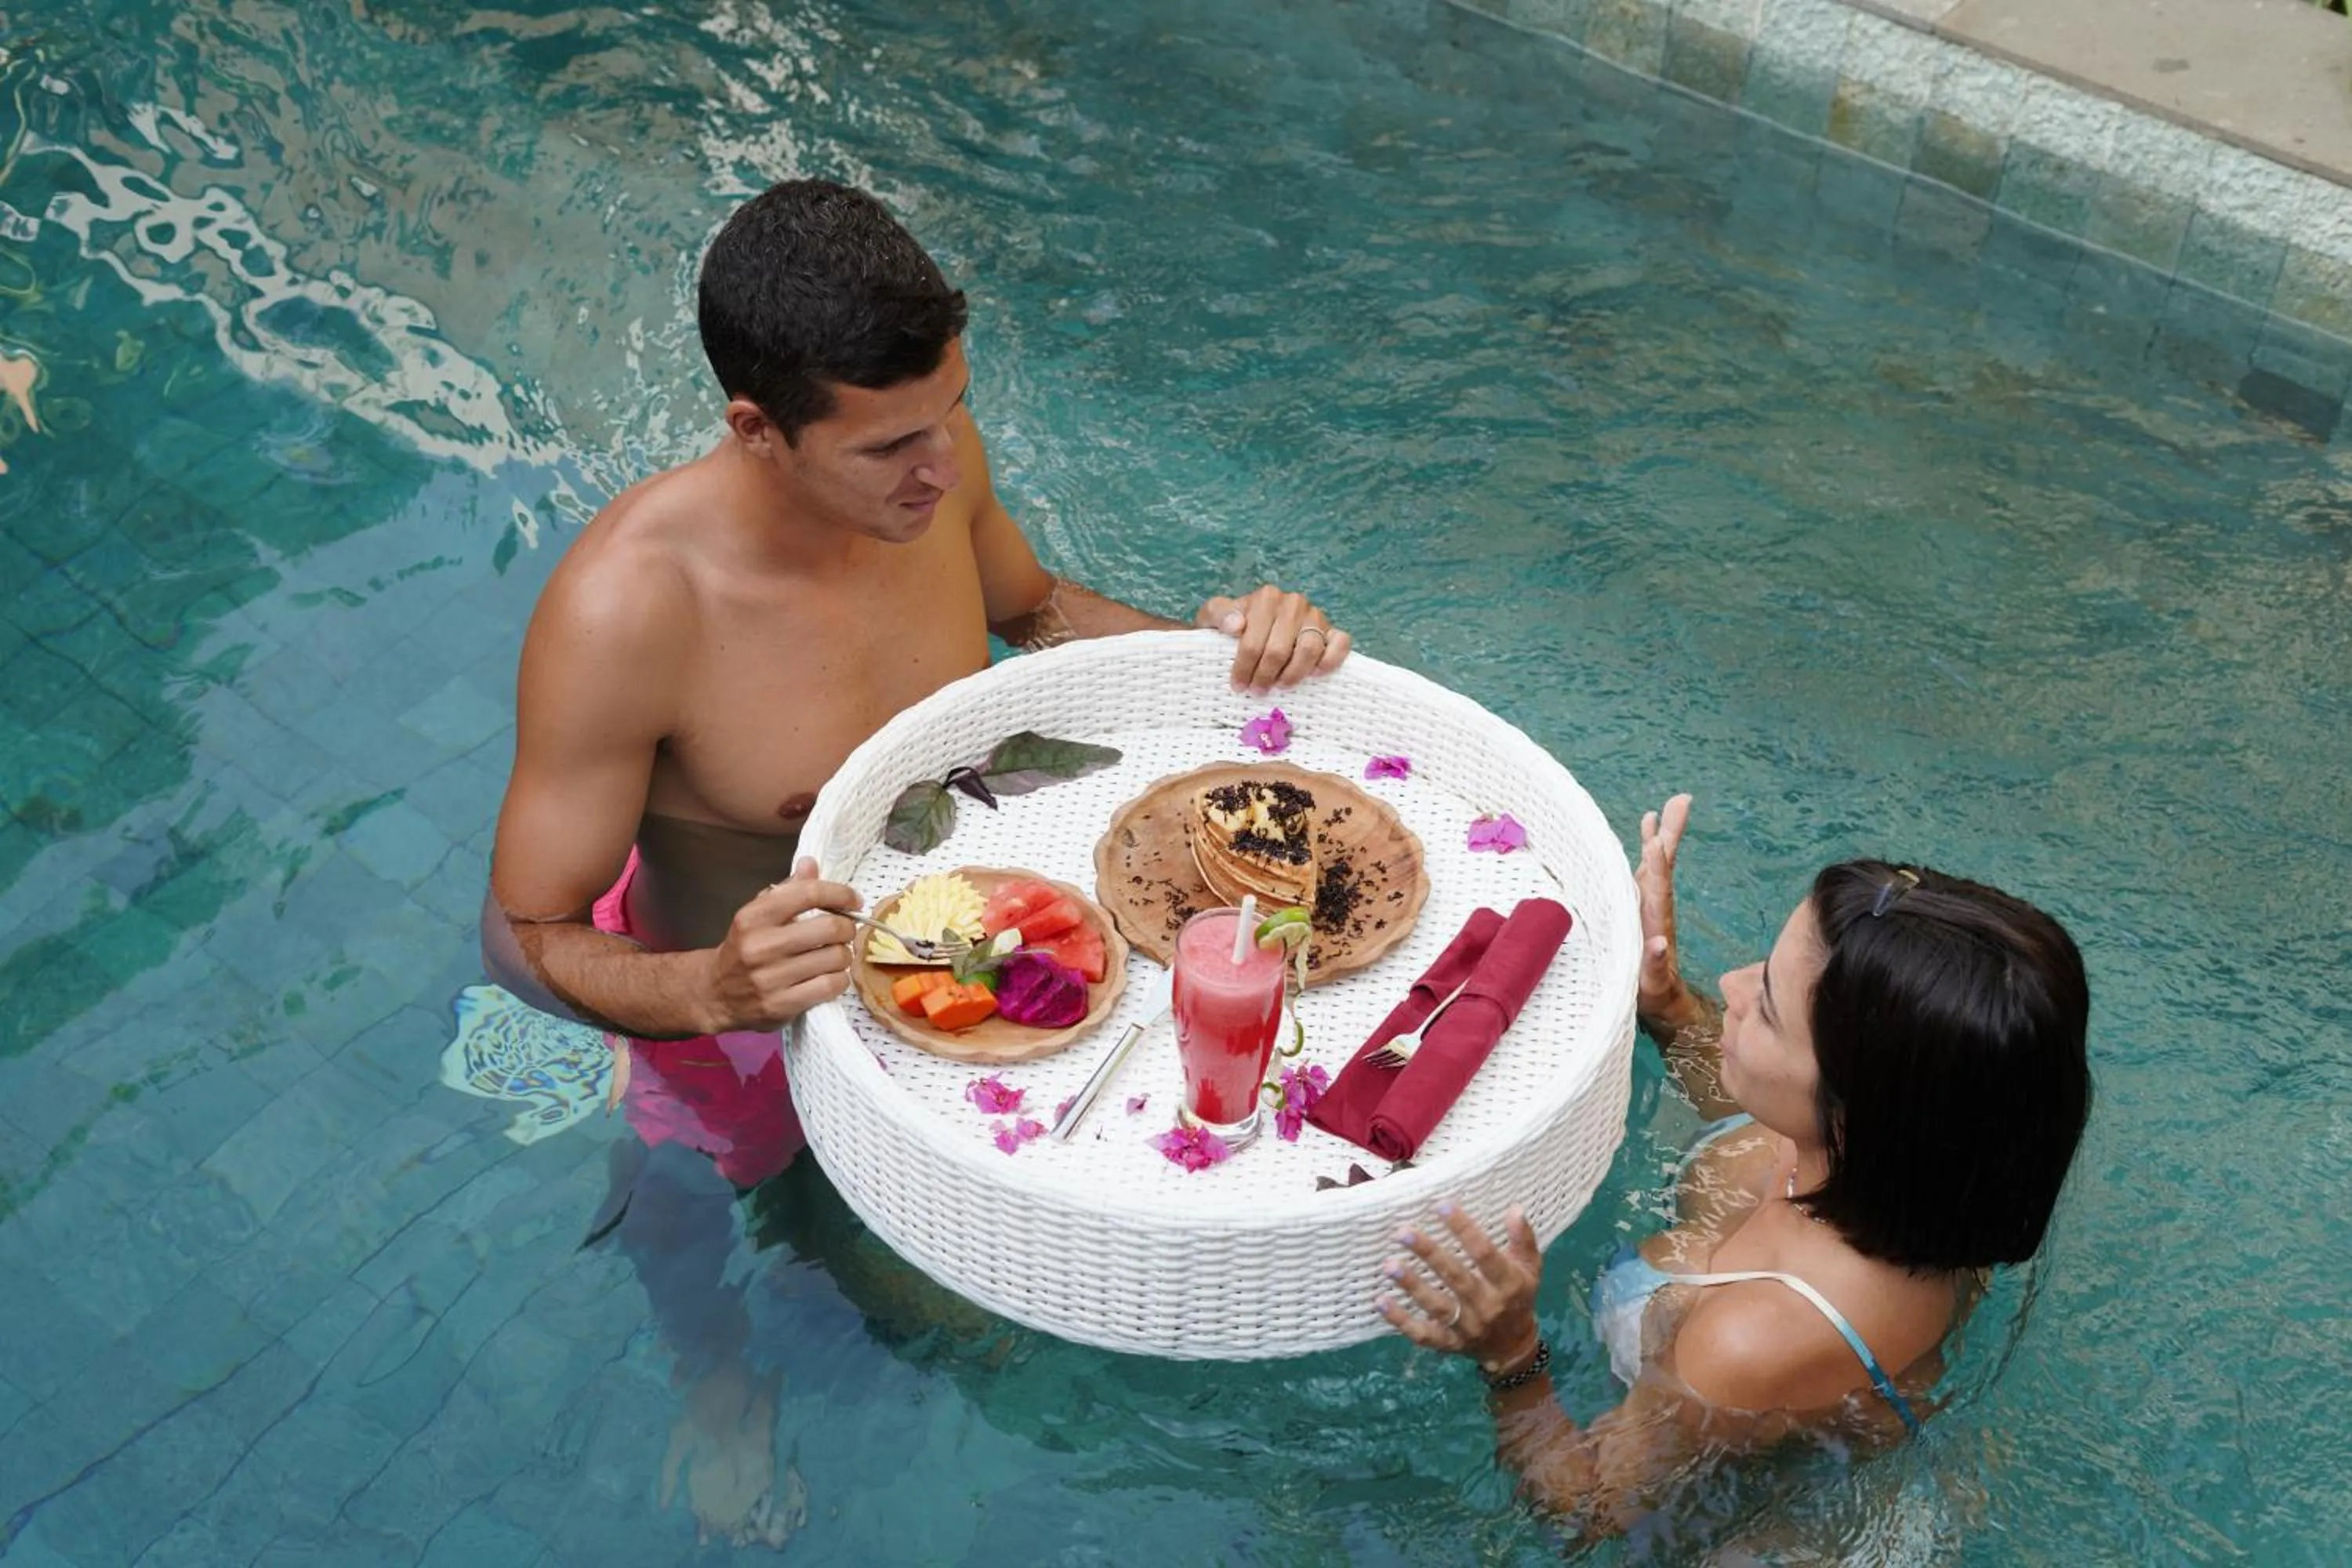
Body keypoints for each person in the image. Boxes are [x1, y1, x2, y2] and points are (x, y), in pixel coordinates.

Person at [484, 178, 1352, 1098]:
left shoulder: (929, 453)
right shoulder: (629, 614)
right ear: (758, 430)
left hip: (968, 960)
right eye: (890, 446)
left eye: (953, 408)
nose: (943, 465)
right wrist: (707, 988)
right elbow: (523, 935)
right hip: (744, 1020)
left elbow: (1034, 610)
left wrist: (1218, 652)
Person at [1377, 794, 2092, 1544]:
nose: (1734, 988)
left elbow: (1588, 1515)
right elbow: (1748, 1112)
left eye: (1770, 1007)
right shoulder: (1930, 1165)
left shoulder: (1749, 1343)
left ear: (1854, 1113)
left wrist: (1512, 1354)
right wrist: (1669, 1006)